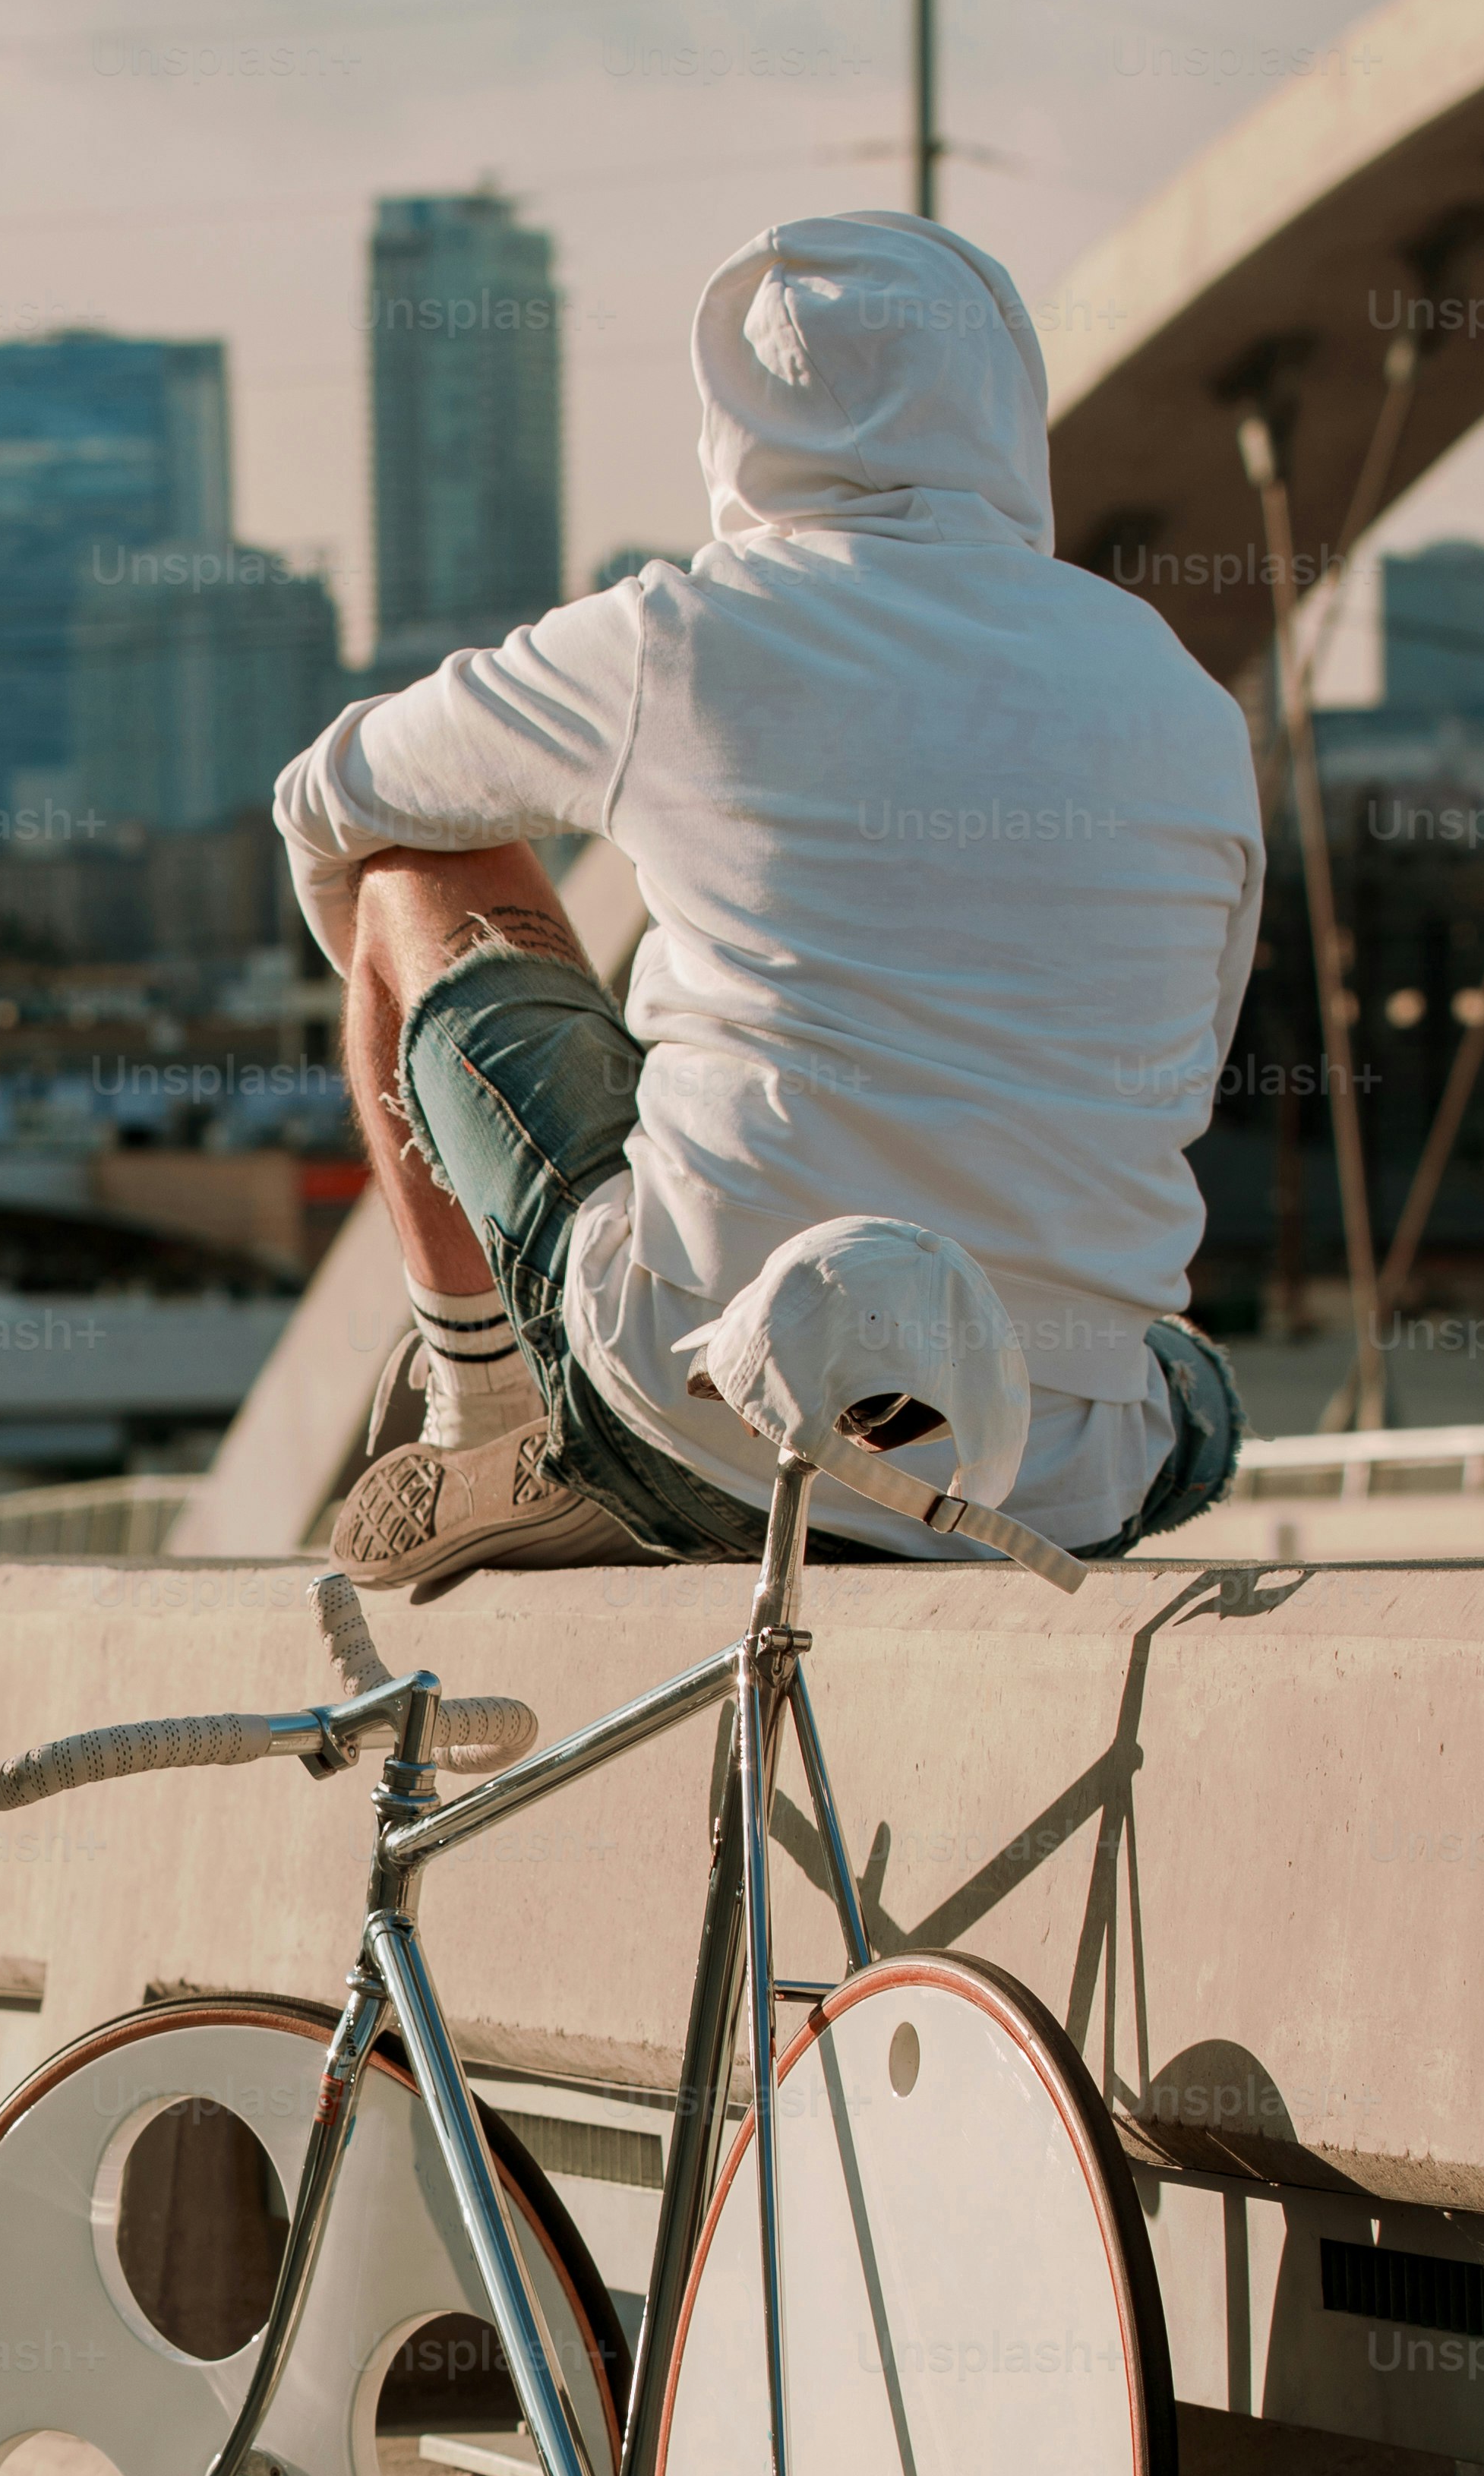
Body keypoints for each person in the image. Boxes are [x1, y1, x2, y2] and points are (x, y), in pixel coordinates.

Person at [276, 210, 1261, 1591]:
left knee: (412, 865)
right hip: (1067, 1459)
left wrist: (432, 1073)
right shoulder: (1180, 694)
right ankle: (675, 1395)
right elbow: (1181, 1062)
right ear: (1004, 395)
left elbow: (331, 794)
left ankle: (498, 1405)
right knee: (1194, 1392)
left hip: (710, 1414)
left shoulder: (677, 636)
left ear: (730, 421)